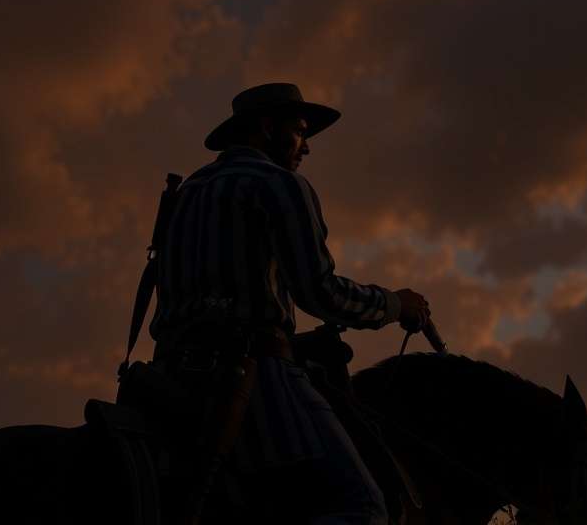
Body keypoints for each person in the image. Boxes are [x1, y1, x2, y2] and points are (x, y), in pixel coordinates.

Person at [149, 82, 431, 524]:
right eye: (300, 131)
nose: (306, 148)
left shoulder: (186, 194)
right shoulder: (280, 185)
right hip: (251, 376)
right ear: (266, 127)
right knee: (364, 507)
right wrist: (393, 304)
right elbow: (320, 293)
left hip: (166, 380)